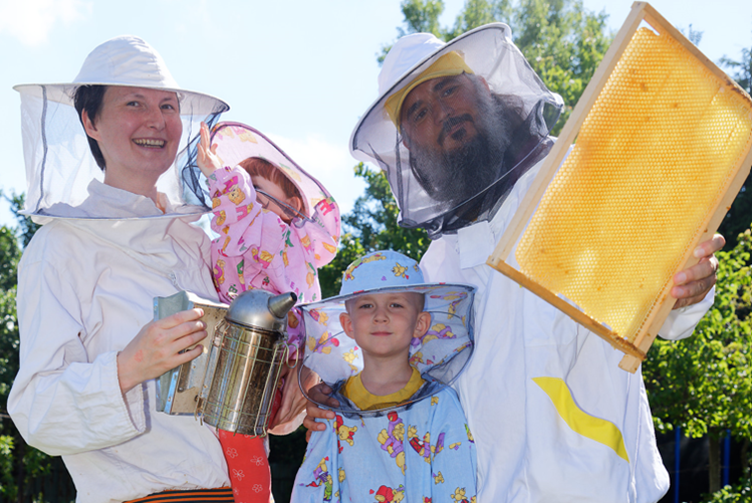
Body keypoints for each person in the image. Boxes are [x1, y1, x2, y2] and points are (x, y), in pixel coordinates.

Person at [307, 25, 726, 502]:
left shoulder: (577, 186)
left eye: (449, 88)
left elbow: (665, 301)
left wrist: (691, 287)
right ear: (409, 147)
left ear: (483, 89)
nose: (442, 112)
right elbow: (403, 382)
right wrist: (338, 399)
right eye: (419, 112)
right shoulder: (433, 270)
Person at [7, 36, 311, 503]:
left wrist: (289, 385)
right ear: (90, 120)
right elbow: (36, 415)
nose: (156, 121)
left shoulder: (208, 245)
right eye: (134, 103)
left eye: (168, 106)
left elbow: (257, 408)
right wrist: (130, 367)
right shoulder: (62, 247)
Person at [196, 120, 340, 502]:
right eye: (243, 184)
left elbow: (243, 220)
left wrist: (219, 176)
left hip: (266, 360)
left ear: (291, 206)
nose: (246, 194)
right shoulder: (244, 238)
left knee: (237, 432)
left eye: (256, 188)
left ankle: (255, 498)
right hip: (247, 355)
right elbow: (211, 249)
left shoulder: (283, 236)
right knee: (232, 435)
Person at [291, 250, 477, 503]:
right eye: (367, 305)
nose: (381, 316)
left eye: (396, 304)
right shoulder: (331, 407)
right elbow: (312, 487)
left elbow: (456, 488)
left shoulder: (440, 405)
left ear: (420, 323)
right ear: (348, 325)